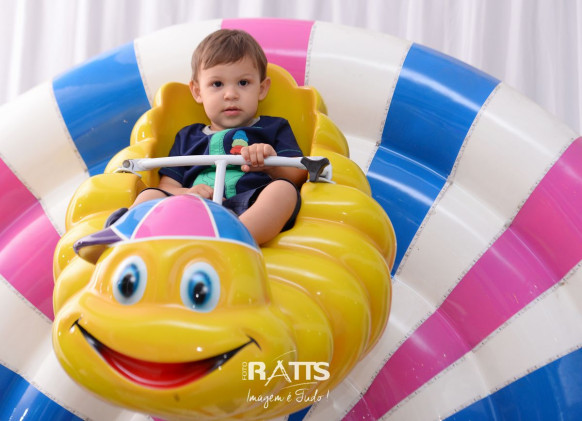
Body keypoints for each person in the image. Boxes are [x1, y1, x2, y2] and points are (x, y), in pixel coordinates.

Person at [110, 29, 306, 245]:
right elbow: (167, 185)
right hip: (194, 209)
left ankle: (236, 239)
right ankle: (120, 238)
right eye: (217, 84)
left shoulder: (273, 127)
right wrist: (187, 193)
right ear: (197, 92)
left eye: (243, 83)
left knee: (284, 190)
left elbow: (298, 175)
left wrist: (271, 164)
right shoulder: (187, 136)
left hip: (249, 207)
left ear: (261, 89)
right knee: (150, 195)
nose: (230, 94)